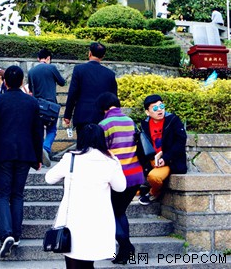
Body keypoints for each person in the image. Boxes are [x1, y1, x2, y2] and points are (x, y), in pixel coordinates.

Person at [45, 124, 126, 269]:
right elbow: (120, 187)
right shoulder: (110, 161)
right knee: (89, 261)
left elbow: (49, 178)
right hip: (98, 219)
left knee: (73, 260)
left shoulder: (71, 158)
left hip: (74, 219)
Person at [0, 65, 44, 259]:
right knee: (17, 195)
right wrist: (37, 158)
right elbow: (37, 132)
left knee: (2, 195)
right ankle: (16, 235)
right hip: (25, 154)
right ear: (21, 82)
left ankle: (6, 235)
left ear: (6, 82)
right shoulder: (32, 103)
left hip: (2, 154)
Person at [97, 92, 144, 265]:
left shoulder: (104, 124)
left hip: (117, 176)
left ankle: (126, 245)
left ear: (103, 107)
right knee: (120, 211)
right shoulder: (130, 121)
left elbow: (102, 152)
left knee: (111, 213)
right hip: (135, 175)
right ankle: (124, 253)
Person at [138, 95, 187, 205]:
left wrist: (165, 158)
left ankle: (153, 193)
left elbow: (180, 142)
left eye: (161, 106)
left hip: (169, 160)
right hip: (152, 159)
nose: (160, 109)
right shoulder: (144, 124)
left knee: (154, 177)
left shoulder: (173, 120)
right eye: (155, 108)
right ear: (147, 112)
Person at [63, 42, 117, 140]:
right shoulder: (110, 74)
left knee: (82, 147)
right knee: (100, 148)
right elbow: (114, 99)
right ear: (103, 56)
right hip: (102, 118)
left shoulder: (79, 70)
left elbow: (73, 94)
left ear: (89, 53)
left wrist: (67, 115)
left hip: (82, 116)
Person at [27, 48, 66, 167]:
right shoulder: (51, 68)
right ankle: (45, 148)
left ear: (38, 58)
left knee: (38, 131)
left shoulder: (31, 71)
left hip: (37, 105)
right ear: (48, 58)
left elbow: (30, 90)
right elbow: (62, 82)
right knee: (52, 130)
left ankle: (38, 158)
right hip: (50, 106)